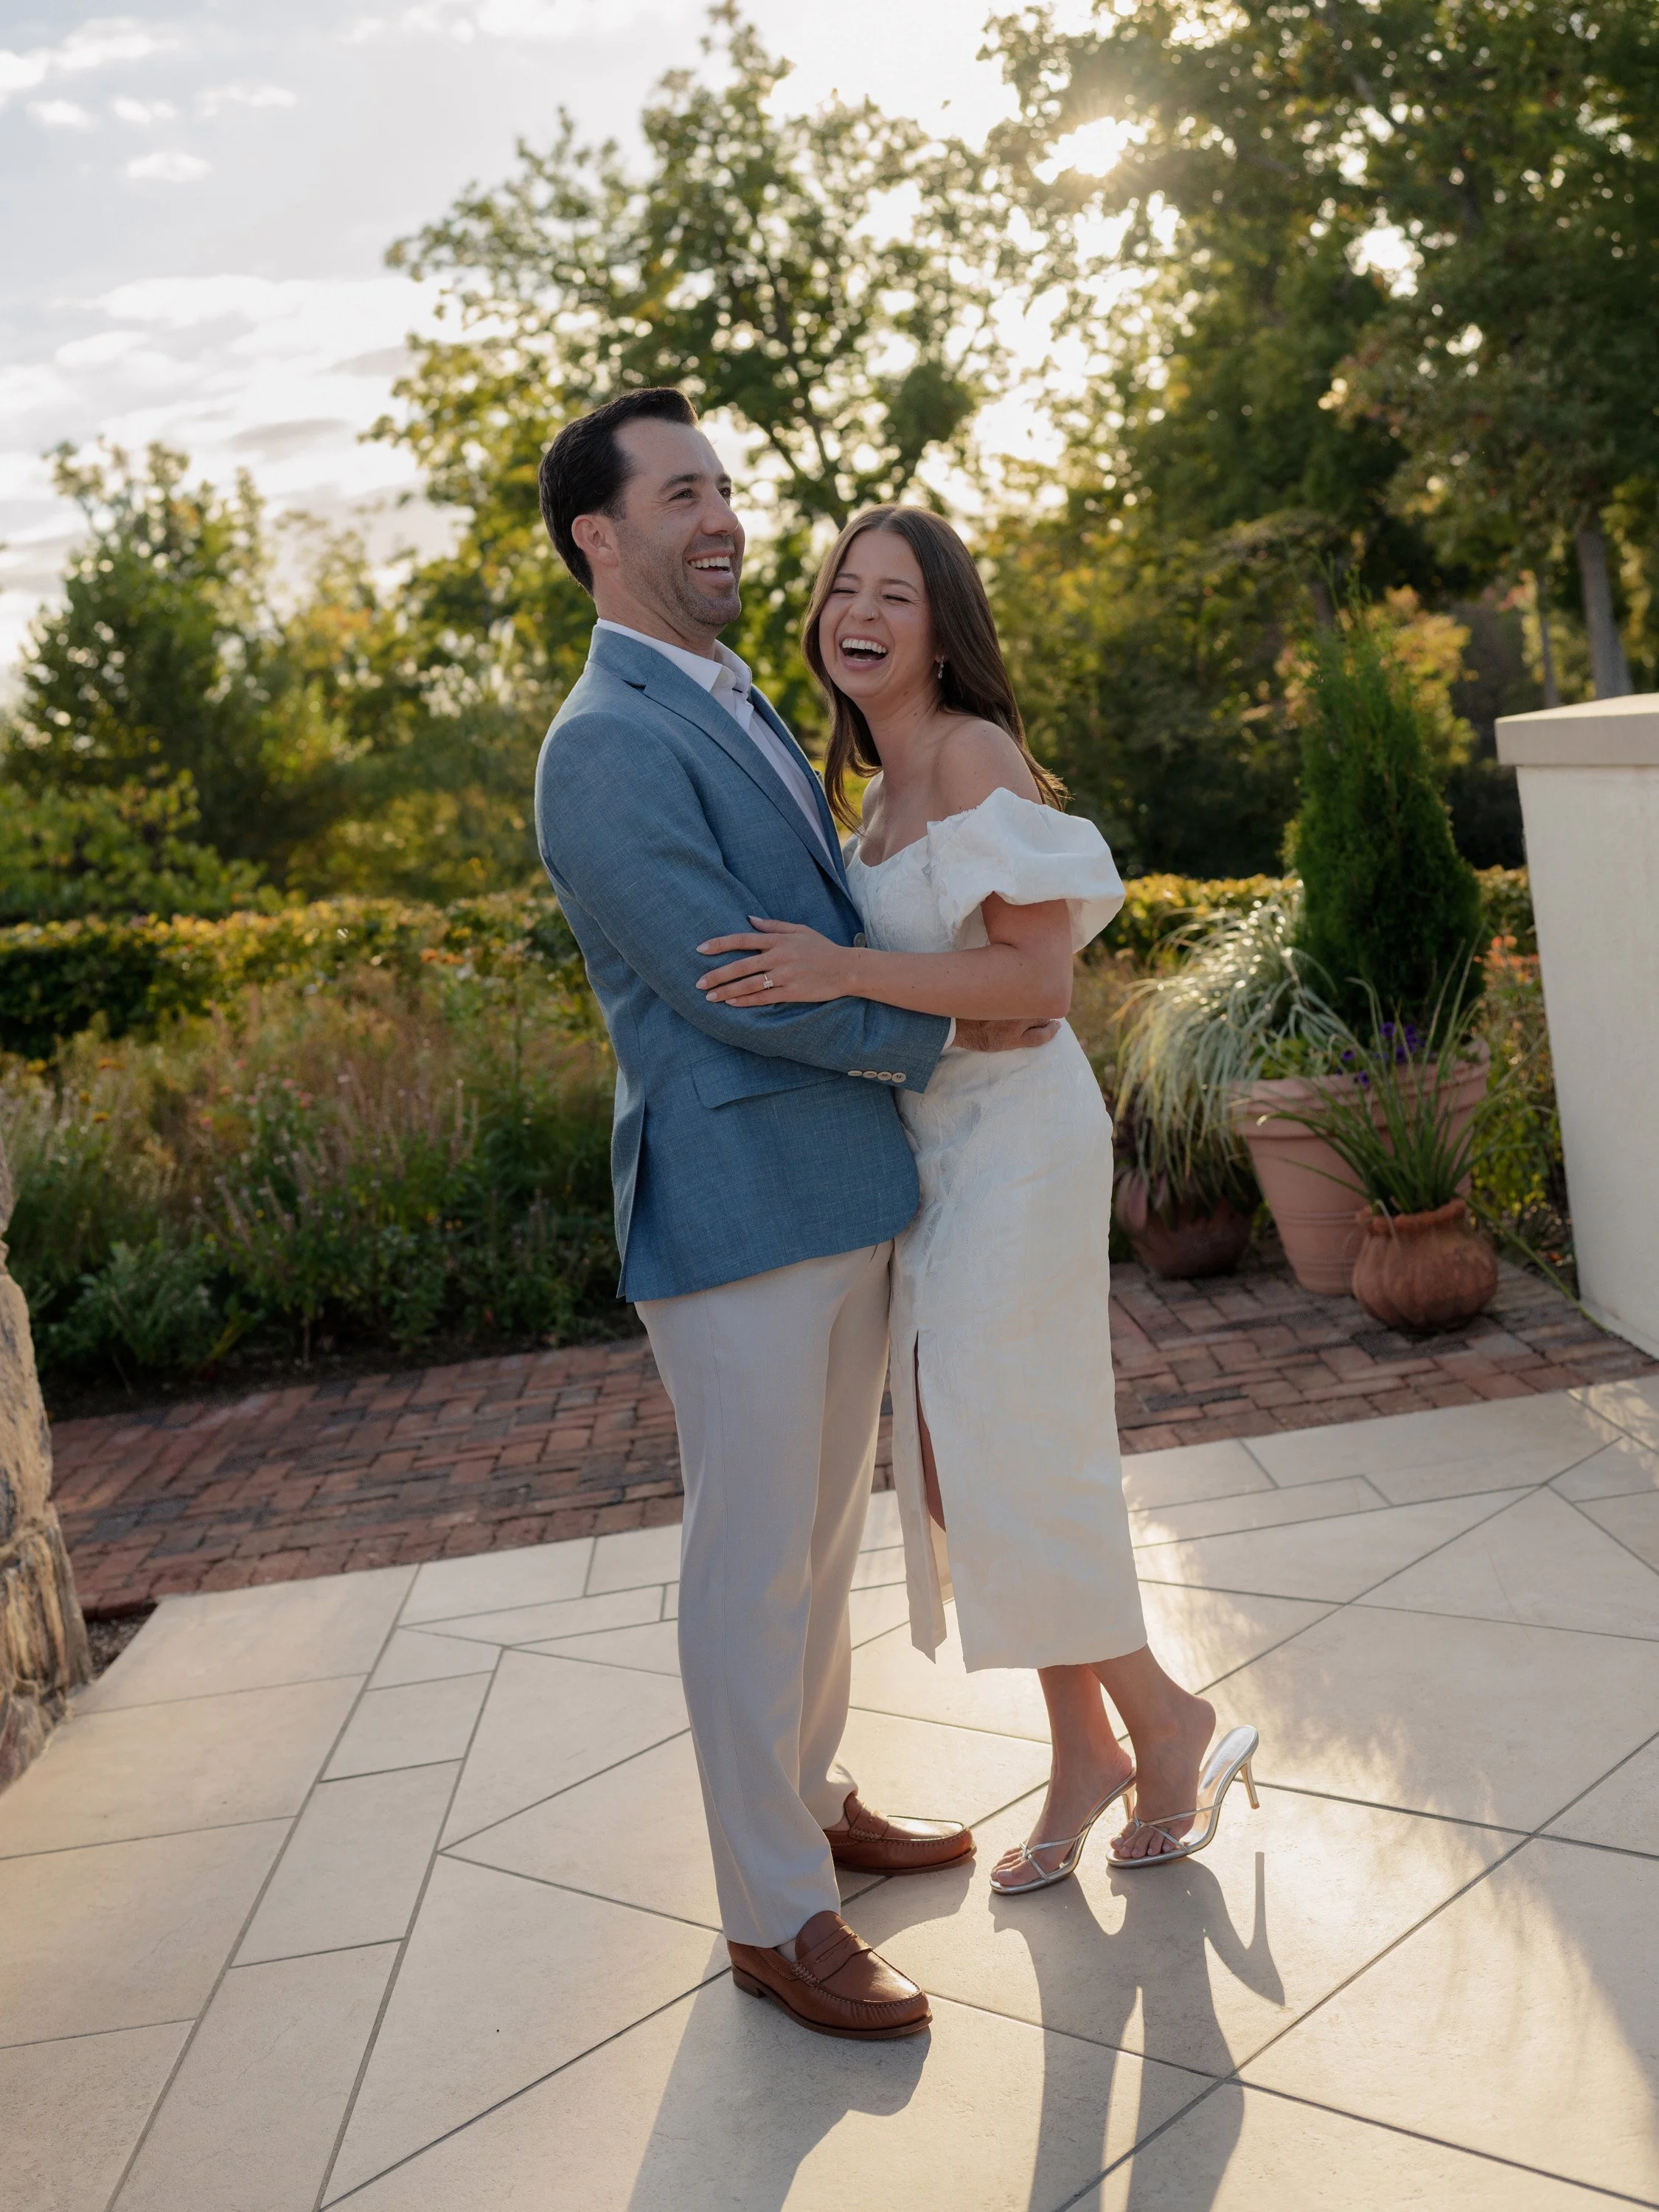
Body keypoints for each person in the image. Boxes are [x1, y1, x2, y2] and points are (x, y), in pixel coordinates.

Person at [533, 390, 1056, 2042]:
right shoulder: (602, 744)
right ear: (596, 538)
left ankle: (813, 1800)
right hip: (736, 1209)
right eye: (680, 494)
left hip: (844, 1190)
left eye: (724, 489)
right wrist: (949, 1024)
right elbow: (735, 982)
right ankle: (773, 1914)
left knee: (824, 1553)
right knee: (750, 1565)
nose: (723, 519)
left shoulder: (745, 695)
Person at [695, 505, 1261, 1889]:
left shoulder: (969, 755)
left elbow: (1034, 988)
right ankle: (1088, 1745)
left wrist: (839, 972)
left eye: (894, 590)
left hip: (1018, 1144)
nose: (857, 609)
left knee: (1013, 1448)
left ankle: (1167, 1720)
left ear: (942, 627)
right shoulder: (872, 797)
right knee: (957, 1465)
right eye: (842, 587)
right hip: (932, 1158)